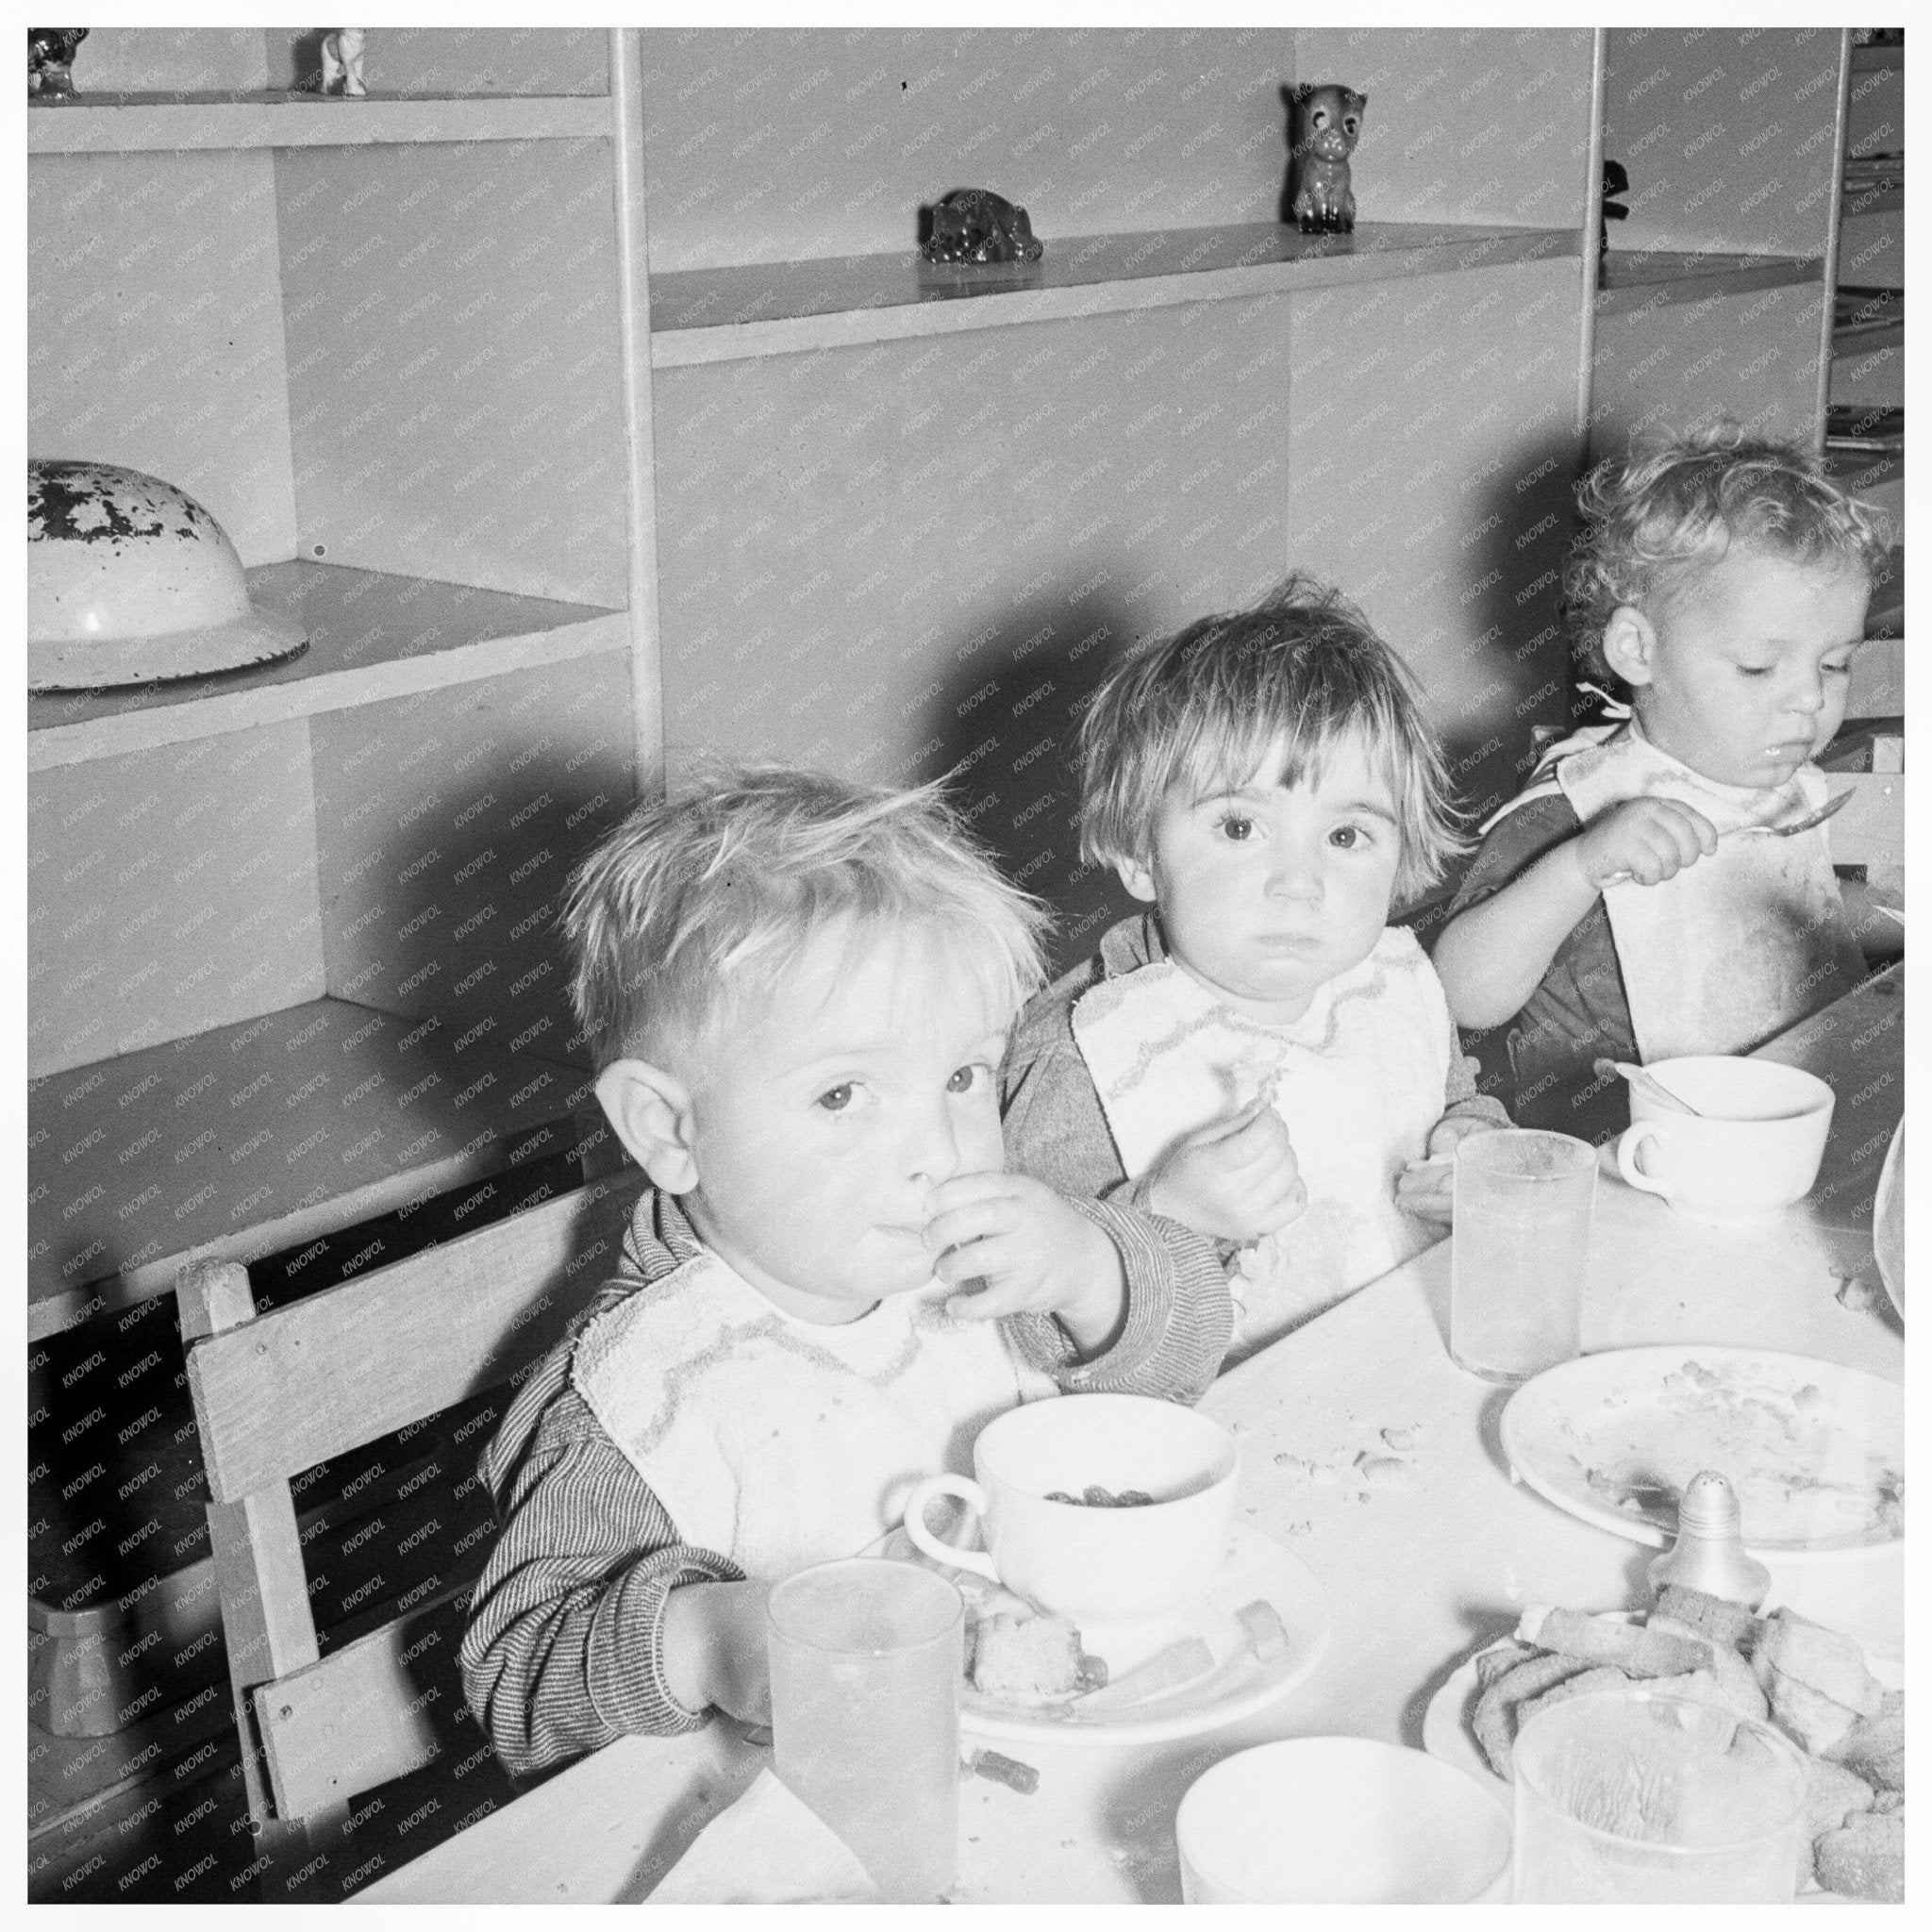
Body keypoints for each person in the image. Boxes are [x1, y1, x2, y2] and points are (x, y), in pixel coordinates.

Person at [460, 764, 1232, 1774]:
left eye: (962, 1076)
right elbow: (518, 1684)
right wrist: (704, 1638)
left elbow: (1179, 1367)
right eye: (841, 1095)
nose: (937, 1148)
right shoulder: (635, 1402)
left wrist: (1089, 1268)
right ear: (669, 1127)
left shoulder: (972, 1262)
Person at [1002, 576, 1509, 1364]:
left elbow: (1455, 1094)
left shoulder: (1392, 982)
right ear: (1140, 853)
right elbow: (1035, 1325)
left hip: (1407, 1380)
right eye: (1241, 827)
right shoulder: (1086, 1053)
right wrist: (1169, 1214)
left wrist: (1475, 1146)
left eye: (1347, 837)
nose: (1299, 882)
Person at [1432, 425, 1888, 1143]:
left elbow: (1776, 907)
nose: (1809, 699)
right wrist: (1580, 868)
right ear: (1639, 649)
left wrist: (1886, 909)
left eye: (1833, 666)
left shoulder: (1780, 784)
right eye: (1759, 668)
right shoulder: (1577, 809)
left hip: (1775, 1123)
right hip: (1611, 1148)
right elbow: (1460, 994)